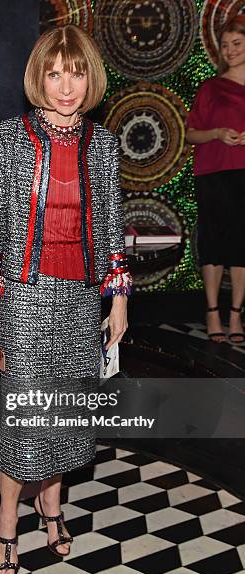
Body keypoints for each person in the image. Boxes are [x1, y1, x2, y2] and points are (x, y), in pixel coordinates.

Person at [0, 25, 132, 574]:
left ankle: (52, 506)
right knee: (25, 418)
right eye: (56, 72)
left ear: (92, 78)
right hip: (25, 298)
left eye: (77, 72)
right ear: (39, 76)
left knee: (66, 413)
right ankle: (8, 519)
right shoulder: (10, 138)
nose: (67, 86)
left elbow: (111, 228)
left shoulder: (103, 145)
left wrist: (119, 300)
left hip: (83, 300)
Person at [186, 15, 245, 343]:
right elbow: (192, 134)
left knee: (241, 243)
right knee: (214, 240)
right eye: (225, 45)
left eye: (237, 43)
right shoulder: (211, 86)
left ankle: (236, 315)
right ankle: (212, 312)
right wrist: (217, 133)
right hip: (213, 172)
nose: (230, 50)